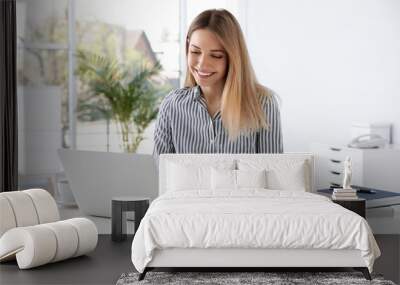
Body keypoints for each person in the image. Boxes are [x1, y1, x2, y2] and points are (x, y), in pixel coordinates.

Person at [153, 9, 283, 163]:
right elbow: (163, 175)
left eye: (215, 55)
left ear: (233, 58)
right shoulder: (171, 105)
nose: (202, 64)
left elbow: (273, 174)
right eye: (195, 52)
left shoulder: (263, 104)